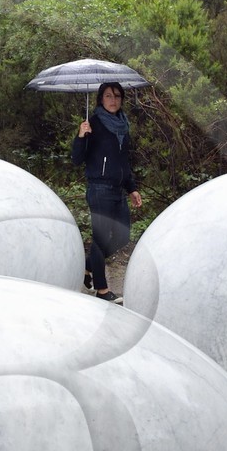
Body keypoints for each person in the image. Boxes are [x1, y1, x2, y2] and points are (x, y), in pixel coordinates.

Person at [70, 81, 143, 304]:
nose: (113, 100)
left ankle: (87, 266)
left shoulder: (123, 125)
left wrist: (132, 188)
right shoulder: (93, 123)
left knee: (122, 236)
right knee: (101, 239)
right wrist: (81, 136)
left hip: (118, 190)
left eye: (117, 96)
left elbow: (123, 161)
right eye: (109, 96)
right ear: (101, 99)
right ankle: (102, 291)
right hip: (99, 189)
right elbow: (76, 159)